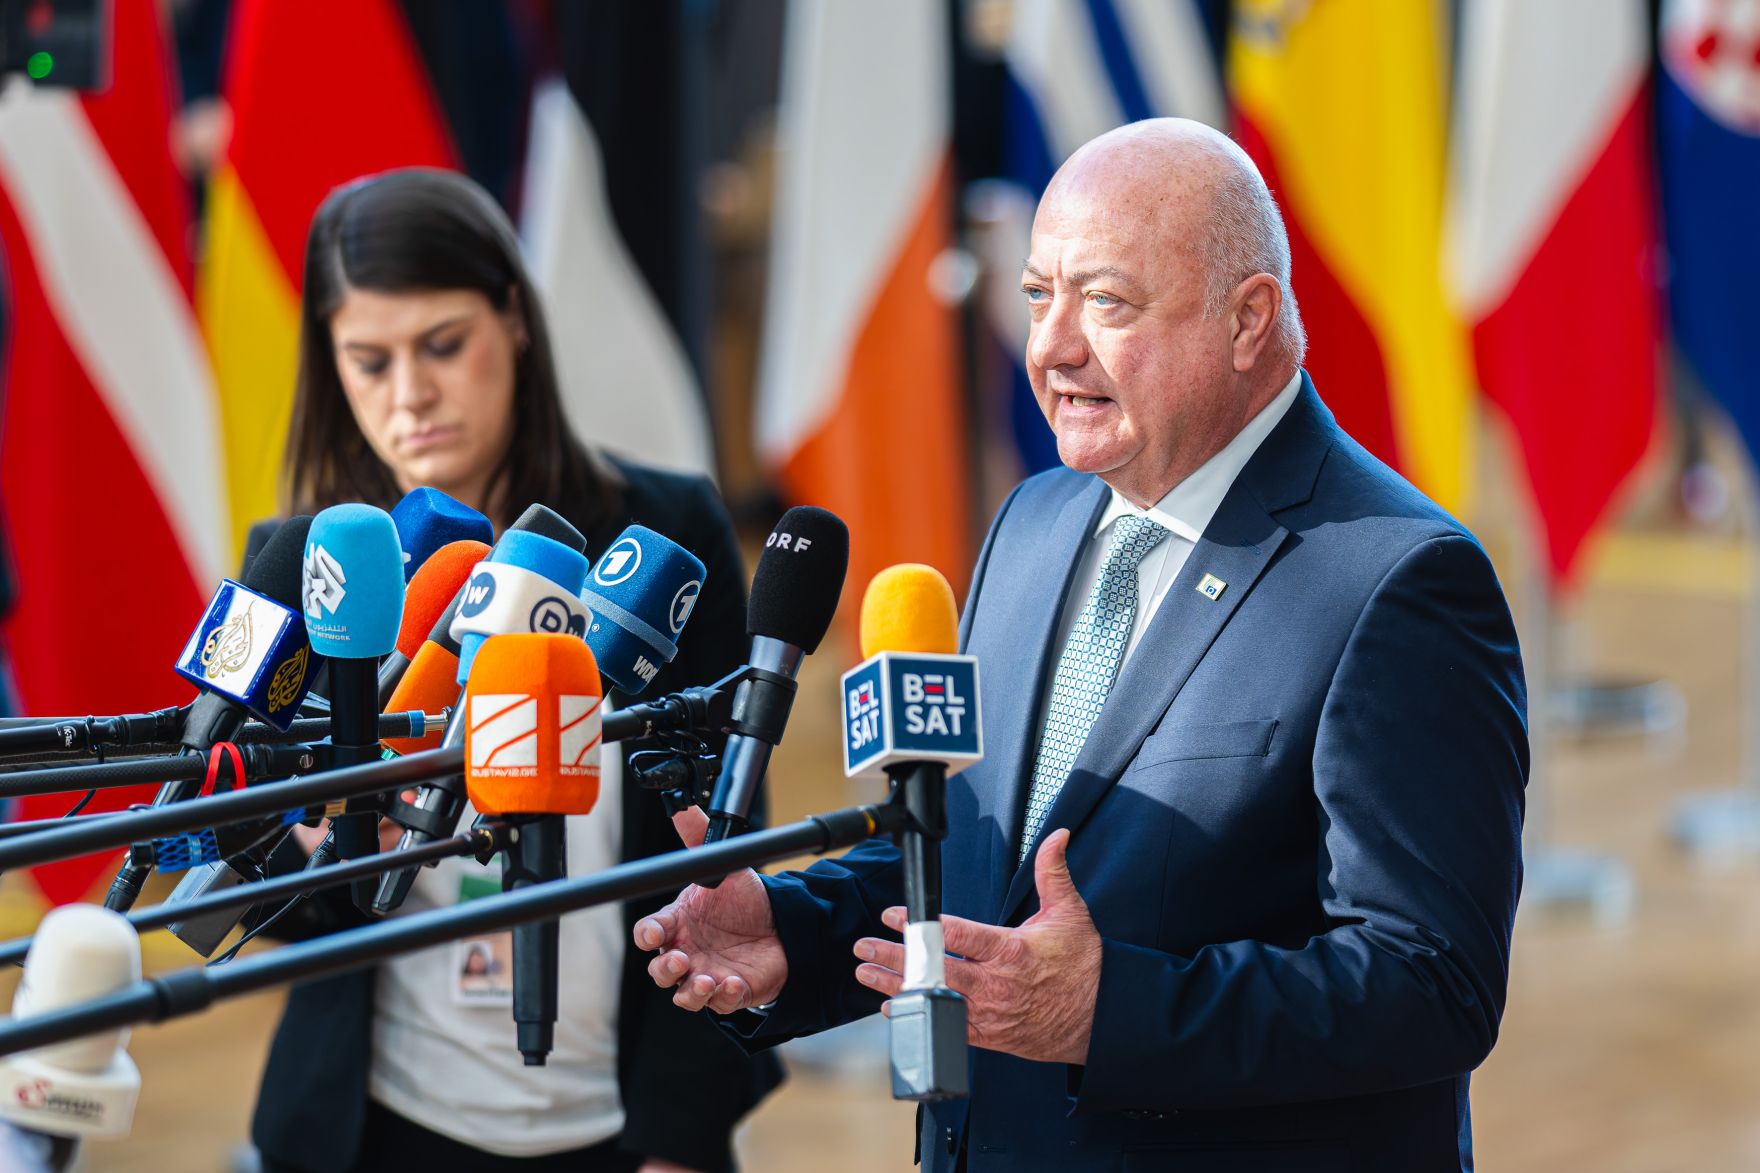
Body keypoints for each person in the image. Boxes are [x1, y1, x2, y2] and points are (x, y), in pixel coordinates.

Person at [635, 119, 1528, 1172]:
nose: (1049, 348)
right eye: (1035, 294)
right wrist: (789, 929)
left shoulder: (1397, 579)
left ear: (1247, 320)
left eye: (1104, 302)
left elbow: (1432, 983)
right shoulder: (1034, 522)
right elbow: (979, 861)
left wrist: (1112, 1015)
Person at [250, 168, 780, 1173]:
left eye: (443, 345)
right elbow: (286, 907)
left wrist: (678, 1138)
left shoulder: (666, 534)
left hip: (621, 1121)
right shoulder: (309, 566)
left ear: (515, 320)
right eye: (369, 361)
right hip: (375, 1125)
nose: (410, 395)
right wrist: (313, 838)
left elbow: (721, 849)